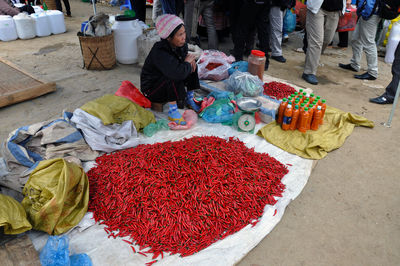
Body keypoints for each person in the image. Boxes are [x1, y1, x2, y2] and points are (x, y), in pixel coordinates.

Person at [140, 14, 200, 125]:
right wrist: (186, 63)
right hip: (151, 89)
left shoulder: (181, 45)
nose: (184, 37)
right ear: (168, 37)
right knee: (174, 74)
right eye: (180, 35)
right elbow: (177, 73)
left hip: (165, 80)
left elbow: (183, 65)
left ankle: (190, 98)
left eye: (184, 33)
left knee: (192, 63)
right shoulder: (160, 51)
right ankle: (173, 111)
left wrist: (189, 62)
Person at [302, 0, 351, 85]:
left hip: (335, 10)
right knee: (317, 41)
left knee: (327, 40)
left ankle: (311, 60)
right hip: (318, 8)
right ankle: (309, 72)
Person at [339, 0, 380, 80]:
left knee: (369, 42)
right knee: (356, 39)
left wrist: (365, 12)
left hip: (371, 13)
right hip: (366, 12)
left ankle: (373, 72)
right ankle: (354, 64)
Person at [232, 0, 270, 69]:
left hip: (250, 3)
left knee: (242, 29)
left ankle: (238, 59)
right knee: (263, 31)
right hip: (264, 3)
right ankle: (265, 61)